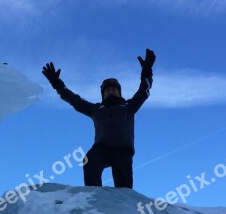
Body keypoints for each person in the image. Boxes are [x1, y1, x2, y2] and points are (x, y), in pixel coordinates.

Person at [42, 49, 156, 188]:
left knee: (124, 188)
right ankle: (94, 196)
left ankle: (123, 207)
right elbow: (74, 100)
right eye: (107, 90)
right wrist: (57, 84)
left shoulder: (129, 106)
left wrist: (147, 70)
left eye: (114, 89)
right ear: (103, 95)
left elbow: (144, 90)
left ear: (119, 92)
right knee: (89, 160)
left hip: (123, 150)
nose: (111, 91)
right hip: (102, 148)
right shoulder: (95, 109)